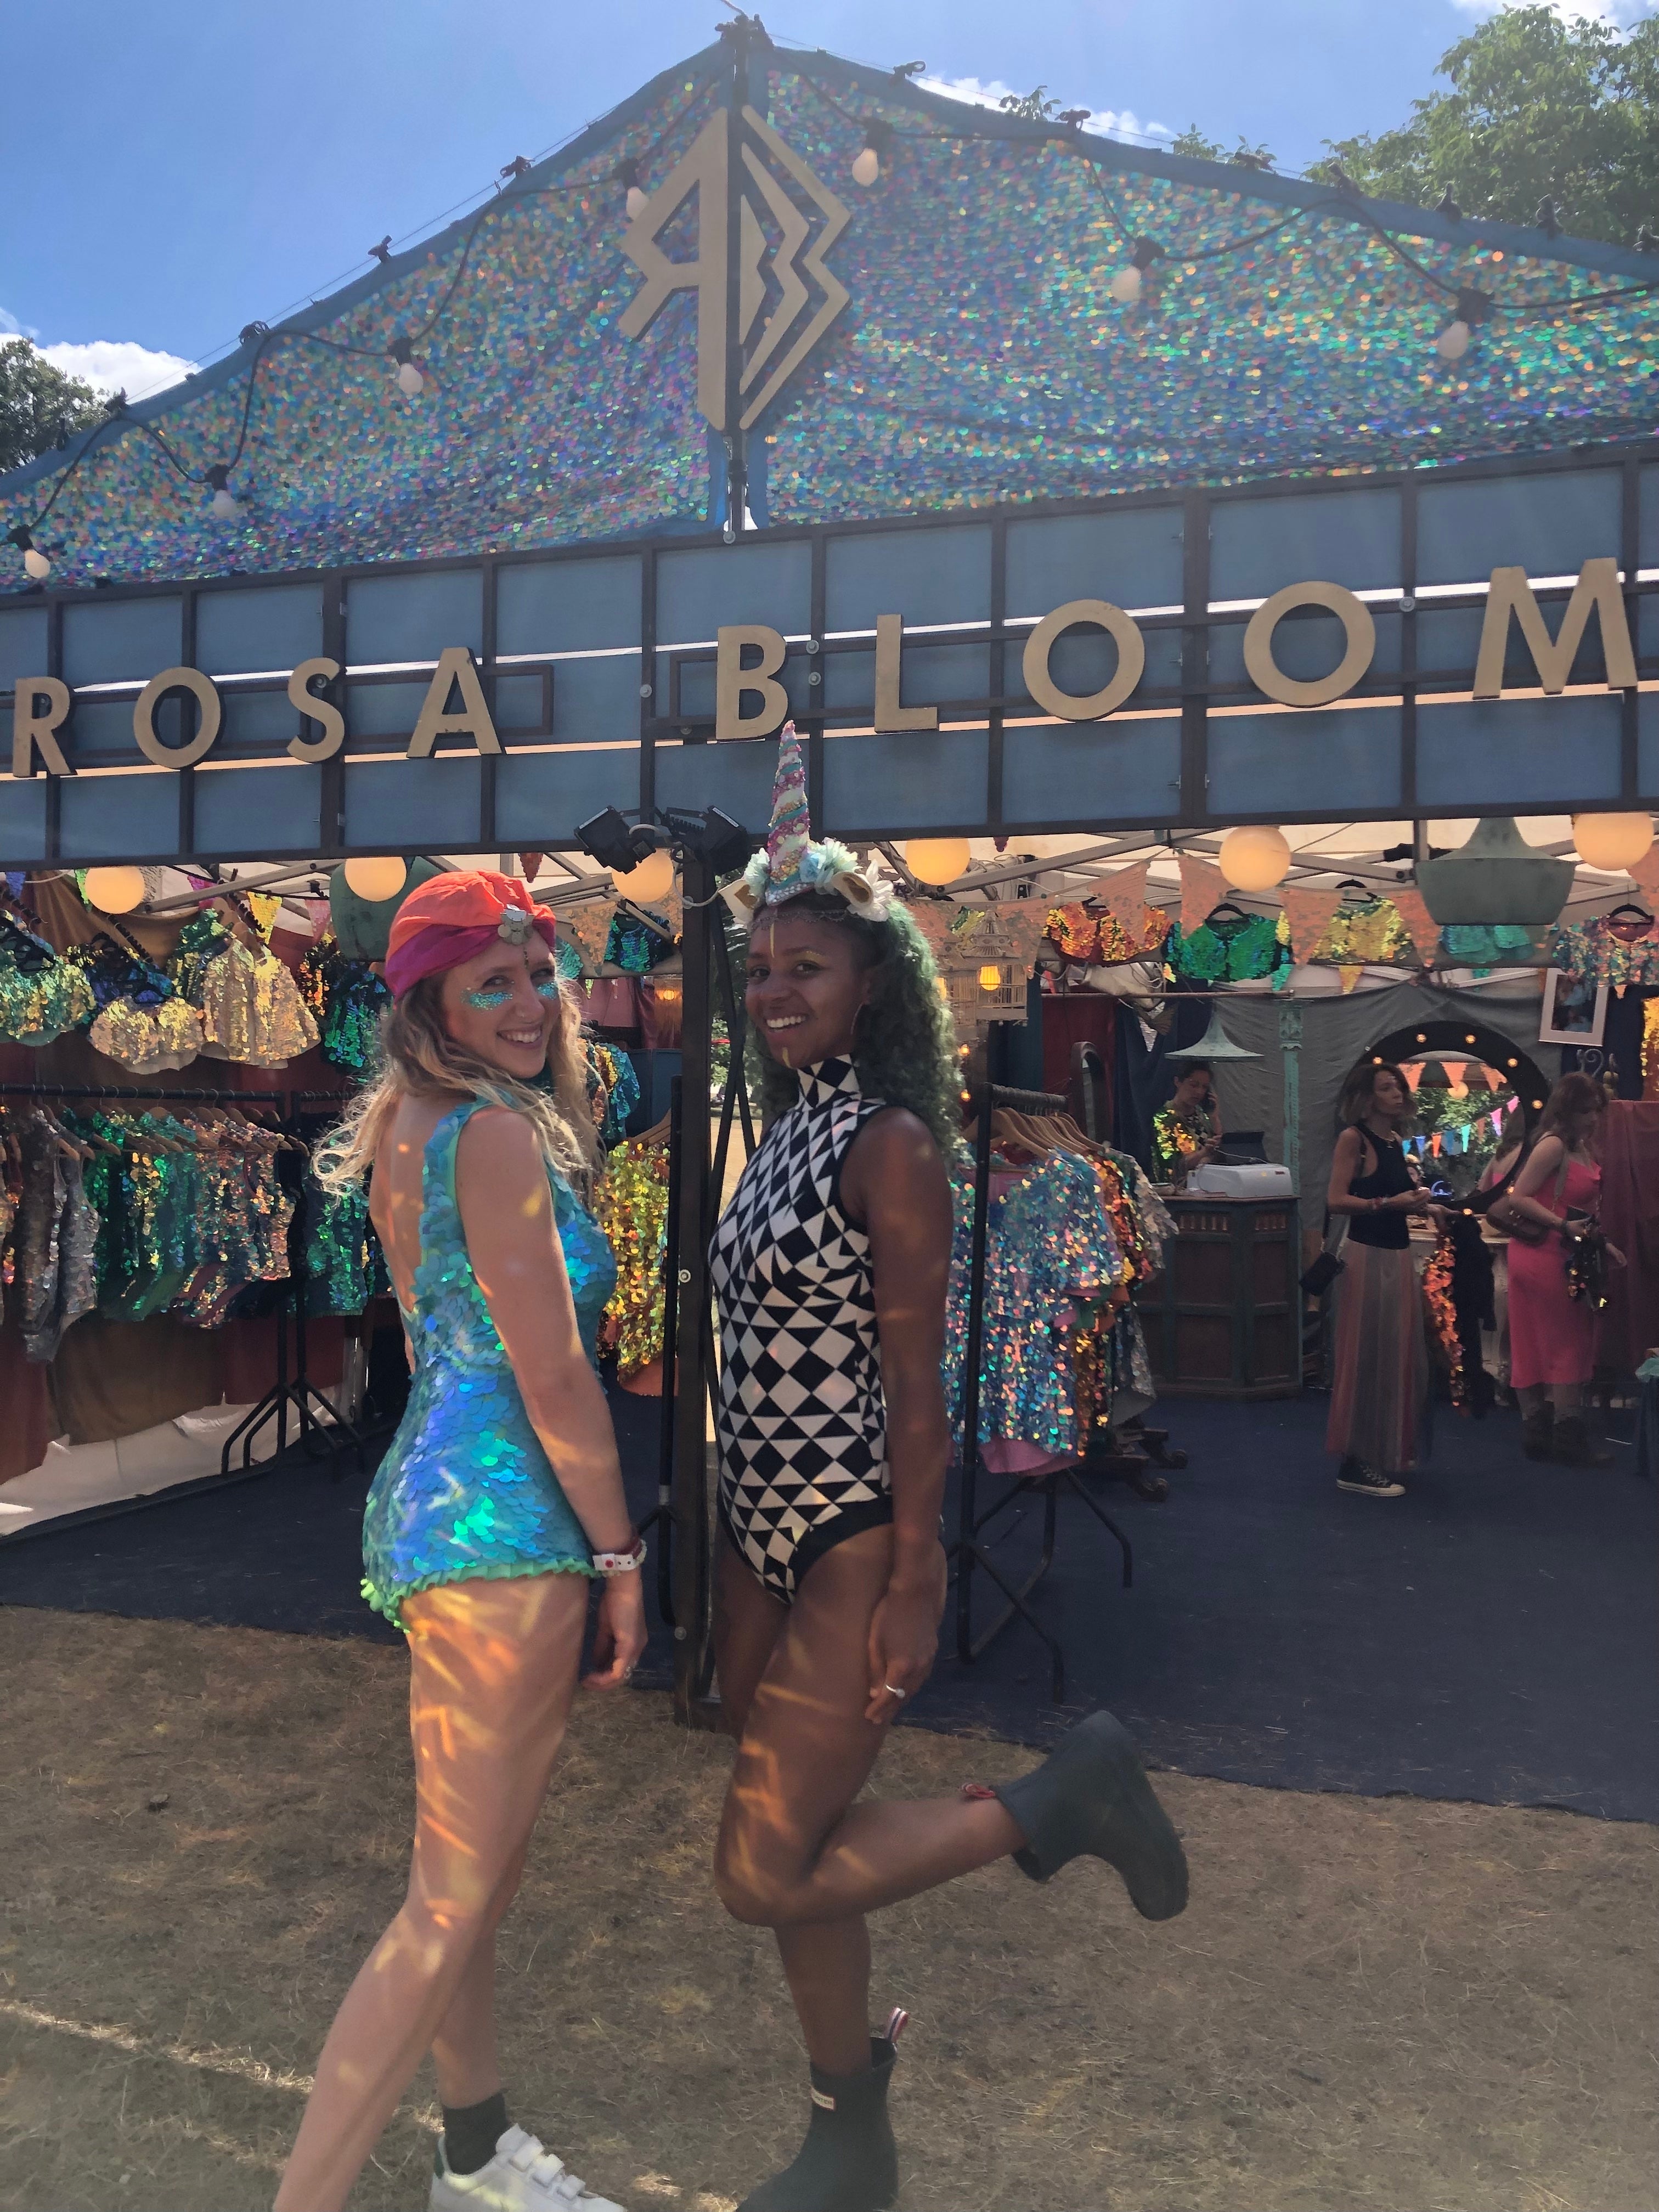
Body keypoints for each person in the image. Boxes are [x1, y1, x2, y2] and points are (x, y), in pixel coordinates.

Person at [709, 732, 1189, 2212]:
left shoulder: (897, 1142)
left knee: (761, 1869)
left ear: (873, 983)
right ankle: (847, 2125)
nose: (781, 989)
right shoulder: (784, 1130)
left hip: (852, 1530)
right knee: (798, 1840)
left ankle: (1058, 1798)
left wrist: (920, 1568)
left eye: (810, 966)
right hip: (758, 1529)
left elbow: (925, 1382)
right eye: (765, 967)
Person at [275, 870, 645, 2212]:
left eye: (538, 974)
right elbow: (554, 1379)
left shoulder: (411, 1129)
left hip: (438, 1510)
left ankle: (477, 2150)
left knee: (463, 1881)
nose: (531, 1003)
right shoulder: (489, 1138)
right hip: (505, 1531)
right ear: (430, 1000)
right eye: (494, 981)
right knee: (447, 1905)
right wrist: (622, 1556)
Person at [1325, 1059, 1435, 1499]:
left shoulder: (1394, 1142)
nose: (1397, 1094)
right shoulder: (1355, 1139)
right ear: (1368, 1098)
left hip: (1397, 1256)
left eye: (1397, 1087)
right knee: (1367, 1357)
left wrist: (1427, 1207)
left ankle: (1379, 1452)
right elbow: (1336, 1200)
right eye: (1388, 1088)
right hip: (1368, 1257)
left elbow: (1394, 1200)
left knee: (1395, 1356)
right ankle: (1355, 1460)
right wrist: (1389, 1203)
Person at [1504, 1071, 1625, 1466]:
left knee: (1546, 1340)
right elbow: (1519, 1197)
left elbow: (1579, 1211)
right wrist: (1561, 1227)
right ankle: (1565, 1433)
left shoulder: (1579, 1147)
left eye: (1596, 1111)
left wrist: (1599, 1243)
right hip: (1546, 1256)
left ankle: (1539, 1430)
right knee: (1564, 1341)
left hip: (1561, 1253)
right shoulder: (1554, 1146)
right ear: (1567, 1110)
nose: (1593, 1119)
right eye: (1585, 1111)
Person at [1152, 1060, 1222, 1183]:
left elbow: (1218, 1150)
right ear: (1178, 1082)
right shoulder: (1165, 1118)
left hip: (1207, 1182)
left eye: (1204, 1087)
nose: (1199, 1092)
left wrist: (1215, 1119)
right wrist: (1203, 1153)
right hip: (1178, 1189)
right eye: (1194, 1085)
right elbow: (1171, 1164)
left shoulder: (1200, 1114)